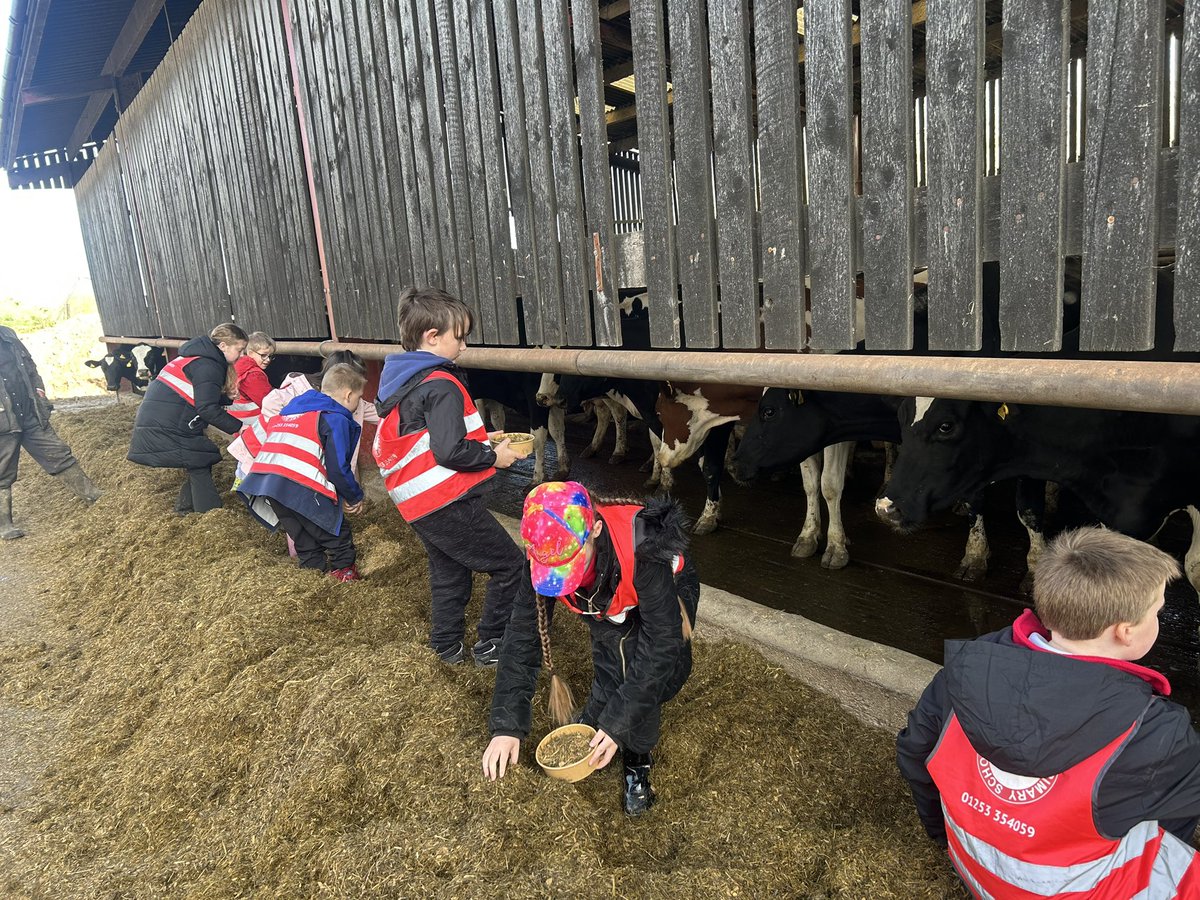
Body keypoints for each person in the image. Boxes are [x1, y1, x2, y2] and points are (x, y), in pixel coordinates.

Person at [897, 527, 1200, 897]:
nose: (1159, 619)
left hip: (974, 866)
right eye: (1157, 612)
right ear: (1125, 631)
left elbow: (914, 752)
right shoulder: (1157, 729)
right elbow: (1177, 817)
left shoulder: (968, 670)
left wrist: (941, 836)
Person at [482, 481, 699, 817]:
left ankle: (637, 761)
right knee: (611, 650)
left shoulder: (643, 542)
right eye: (551, 570)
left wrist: (617, 725)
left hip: (660, 593)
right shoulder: (544, 548)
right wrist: (507, 725)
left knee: (646, 667)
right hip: (603, 594)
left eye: (569, 563)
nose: (558, 576)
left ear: (596, 529)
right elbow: (523, 633)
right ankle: (601, 708)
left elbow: (662, 644)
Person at [373, 286, 524, 667]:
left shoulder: (405, 381)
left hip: (418, 504)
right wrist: (494, 457)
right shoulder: (441, 382)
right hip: (446, 500)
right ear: (432, 337)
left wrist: (480, 437)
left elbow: (427, 437)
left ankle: (445, 647)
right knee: (511, 566)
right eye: (460, 336)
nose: (465, 345)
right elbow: (450, 451)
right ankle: (492, 645)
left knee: (449, 572)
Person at [237, 363, 367, 582]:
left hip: (270, 484)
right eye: (358, 399)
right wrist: (354, 496)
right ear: (348, 395)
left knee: (304, 539)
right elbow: (338, 469)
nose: (357, 405)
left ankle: (312, 577)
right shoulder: (334, 418)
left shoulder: (293, 411)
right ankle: (345, 576)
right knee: (337, 534)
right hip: (299, 485)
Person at [128, 322, 247, 515]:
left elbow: (194, 394)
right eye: (240, 350)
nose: (241, 356)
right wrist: (239, 427)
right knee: (198, 460)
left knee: (198, 459)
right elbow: (206, 408)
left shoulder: (194, 358)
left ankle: (184, 510)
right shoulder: (208, 365)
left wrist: (225, 398)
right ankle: (211, 516)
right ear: (223, 346)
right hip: (167, 426)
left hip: (158, 422)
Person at [0, 326, 102, 538]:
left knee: (57, 452)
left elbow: (29, 366)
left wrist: (39, 389)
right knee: (3, 471)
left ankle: (91, 494)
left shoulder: (8, 335)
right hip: (3, 421)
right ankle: (5, 525)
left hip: (29, 412)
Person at [229, 332, 276, 423]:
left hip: (239, 421)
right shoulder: (253, 375)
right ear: (250, 353)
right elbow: (268, 403)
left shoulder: (236, 366)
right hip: (255, 424)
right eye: (263, 355)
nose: (268, 360)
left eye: (270, 356)